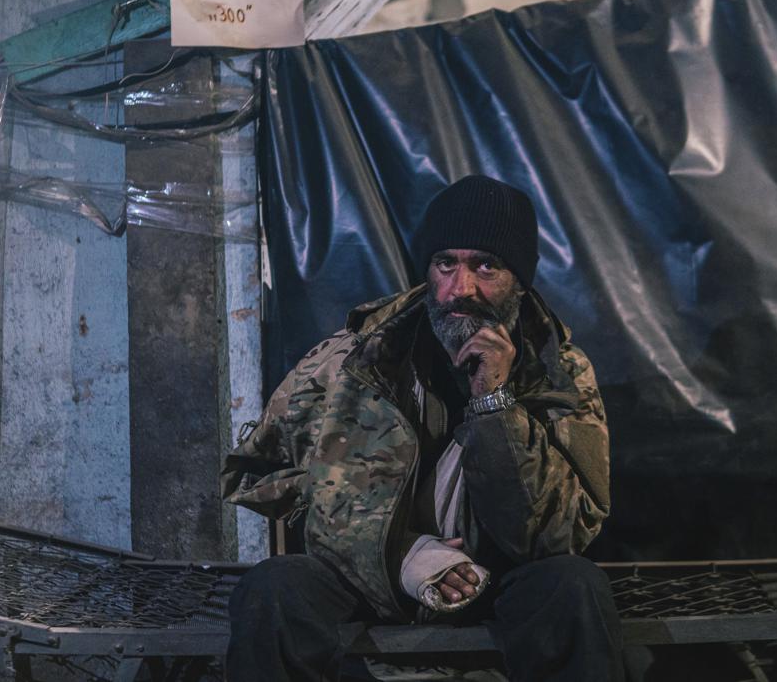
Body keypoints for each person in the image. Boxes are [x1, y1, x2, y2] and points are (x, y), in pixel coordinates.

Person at [221, 174, 622, 681]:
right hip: (371, 577)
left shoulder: (559, 371)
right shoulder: (355, 358)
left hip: (499, 577)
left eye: (486, 265)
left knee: (574, 588)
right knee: (273, 591)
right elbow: (257, 474)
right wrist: (401, 552)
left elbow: (561, 533)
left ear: (519, 279)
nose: (462, 289)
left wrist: (494, 403)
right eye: (446, 263)